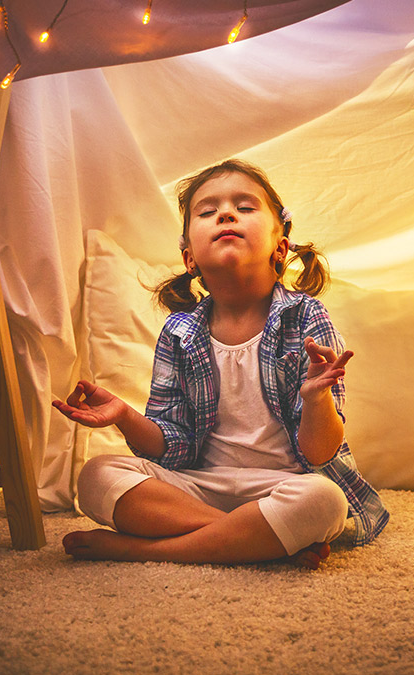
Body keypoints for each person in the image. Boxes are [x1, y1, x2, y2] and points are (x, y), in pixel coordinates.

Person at [53, 159, 388, 568]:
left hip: (284, 485)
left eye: (245, 208)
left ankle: (143, 550)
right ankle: (254, 540)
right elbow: (171, 453)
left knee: (323, 501)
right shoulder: (180, 331)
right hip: (198, 486)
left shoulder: (306, 316)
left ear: (280, 248)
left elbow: (320, 453)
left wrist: (316, 399)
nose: (226, 214)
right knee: (97, 476)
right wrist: (123, 414)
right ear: (189, 257)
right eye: (207, 212)